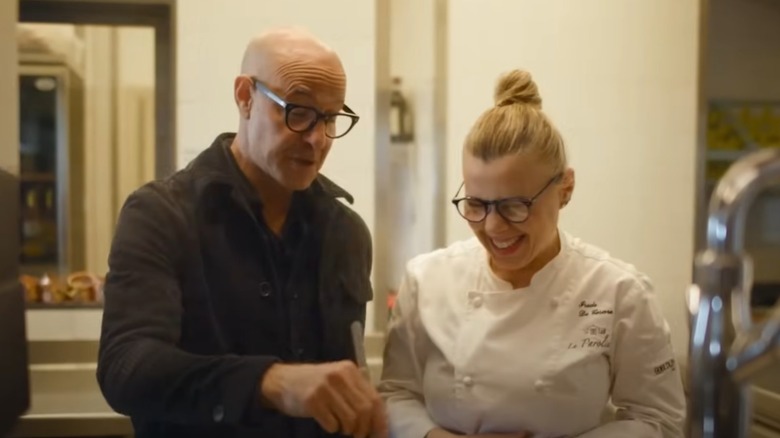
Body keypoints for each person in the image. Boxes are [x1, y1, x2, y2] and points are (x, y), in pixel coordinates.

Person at [97, 27, 387, 438]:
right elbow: (126, 368)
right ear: (245, 97)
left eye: (330, 117)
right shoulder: (160, 214)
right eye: (298, 111)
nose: (317, 139)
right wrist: (270, 381)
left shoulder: (346, 232)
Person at [378, 69, 686, 438]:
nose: (493, 227)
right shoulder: (427, 280)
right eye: (476, 204)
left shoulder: (619, 292)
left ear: (565, 189)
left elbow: (659, 420)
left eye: (514, 206)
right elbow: (396, 394)